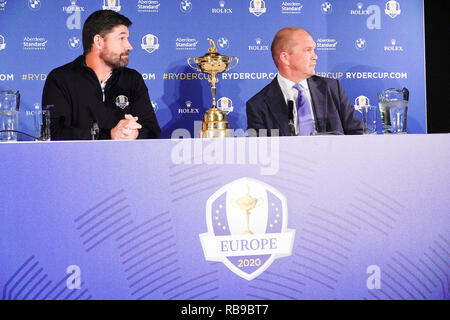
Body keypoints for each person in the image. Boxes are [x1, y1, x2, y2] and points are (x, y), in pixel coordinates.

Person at [42, 10, 161, 140]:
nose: (129, 46)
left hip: (123, 160)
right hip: (76, 159)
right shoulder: (60, 79)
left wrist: (135, 133)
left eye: (127, 39)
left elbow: (153, 131)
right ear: (99, 41)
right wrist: (109, 135)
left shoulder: (132, 79)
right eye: (121, 38)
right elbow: (52, 133)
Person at [246, 27, 363, 136]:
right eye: (308, 50)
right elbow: (262, 151)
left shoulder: (332, 88)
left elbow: (357, 134)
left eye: (314, 50)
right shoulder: (258, 105)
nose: (315, 56)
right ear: (285, 58)